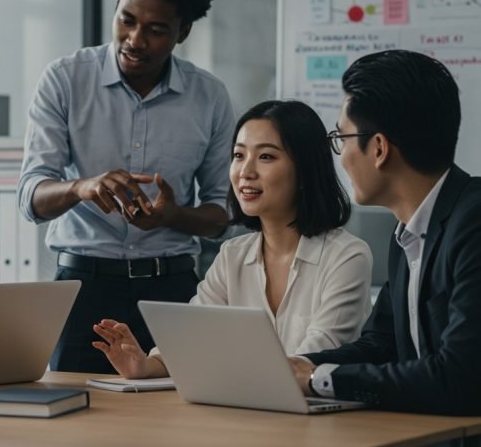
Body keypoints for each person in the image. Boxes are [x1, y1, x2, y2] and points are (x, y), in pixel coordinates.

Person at [17, 0, 236, 373]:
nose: (135, 39)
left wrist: (172, 215)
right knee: (73, 426)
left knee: (178, 428)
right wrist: (83, 187)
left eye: (156, 30)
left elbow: (222, 213)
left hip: (172, 292)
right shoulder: (65, 80)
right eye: (126, 20)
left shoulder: (209, 96)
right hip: (82, 291)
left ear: (183, 31)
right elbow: (31, 199)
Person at [93, 100, 373, 378]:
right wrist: (144, 365)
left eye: (266, 157)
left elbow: (310, 360)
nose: (245, 172)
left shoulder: (346, 256)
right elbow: (192, 337)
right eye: (239, 156)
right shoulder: (232, 255)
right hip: (247, 409)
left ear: (304, 172)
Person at [288, 50, 481, 416]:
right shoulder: (408, 232)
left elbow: (461, 377)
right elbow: (381, 344)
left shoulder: (473, 222)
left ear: (378, 148)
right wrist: (296, 365)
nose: (341, 157)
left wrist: (318, 379)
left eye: (340, 139)